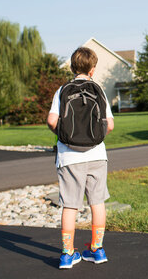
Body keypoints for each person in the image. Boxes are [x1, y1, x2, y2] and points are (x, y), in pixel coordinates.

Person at [47, 47, 114, 269]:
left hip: (69, 157)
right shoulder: (99, 90)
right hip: (97, 154)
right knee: (97, 203)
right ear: (92, 69)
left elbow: (51, 121)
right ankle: (97, 249)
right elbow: (110, 125)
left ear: (72, 67)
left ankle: (68, 254)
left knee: (70, 205)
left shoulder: (62, 90)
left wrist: (65, 136)